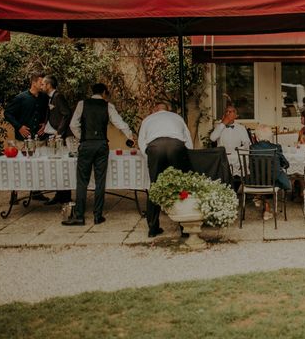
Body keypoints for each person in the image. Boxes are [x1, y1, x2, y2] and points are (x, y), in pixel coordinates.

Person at [62, 83, 134, 226]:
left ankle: (79, 216)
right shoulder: (108, 106)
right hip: (101, 145)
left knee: (82, 181)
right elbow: (120, 123)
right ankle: (97, 216)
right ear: (104, 93)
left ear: (92, 92)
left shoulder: (82, 104)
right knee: (100, 181)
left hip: (86, 144)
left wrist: (82, 137)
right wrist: (130, 136)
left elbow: (73, 125)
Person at [138, 103, 193, 238]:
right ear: (168, 110)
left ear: (155, 109)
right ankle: (184, 228)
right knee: (182, 186)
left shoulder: (148, 119)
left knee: (155, 187)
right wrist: (188, 155)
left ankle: (153, 228)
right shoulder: (177, 117)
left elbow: (141, 141)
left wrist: (149, 156)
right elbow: (188, 138)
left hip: (155, 147)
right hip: (176, 146)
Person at [4, 71, 49, 201]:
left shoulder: (44, 98)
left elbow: (48, 113)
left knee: (38, 166)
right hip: (23, 139)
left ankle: (36, 192)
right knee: (20, 167)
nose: (43, 85)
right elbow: (8, 113)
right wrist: (19, 126)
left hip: (39, 138)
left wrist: (45, 124)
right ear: (34, 83)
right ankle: (15, 192)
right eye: (41, 83)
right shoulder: (20, 98)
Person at [41, 75, 73, 205]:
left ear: (49, 85)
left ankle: (65, 197)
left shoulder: (58, 96)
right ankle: (59, 195)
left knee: (63, 166)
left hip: (60, 137)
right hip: (53, 135)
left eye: (43, 84)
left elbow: (66, 113)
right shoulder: (51, 97)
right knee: (57, 166)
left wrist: (59, 133)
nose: (42, 86)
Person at [250, 124, 291, 220]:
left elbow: (251, 166)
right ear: (270, 136)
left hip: (257, 180)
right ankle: (266, 210)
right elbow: (285, 164)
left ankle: (259, 196)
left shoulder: (252, 147)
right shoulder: (276, 147)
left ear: (256, 137)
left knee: (264, 176)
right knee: (272, 177)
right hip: (273, 180)